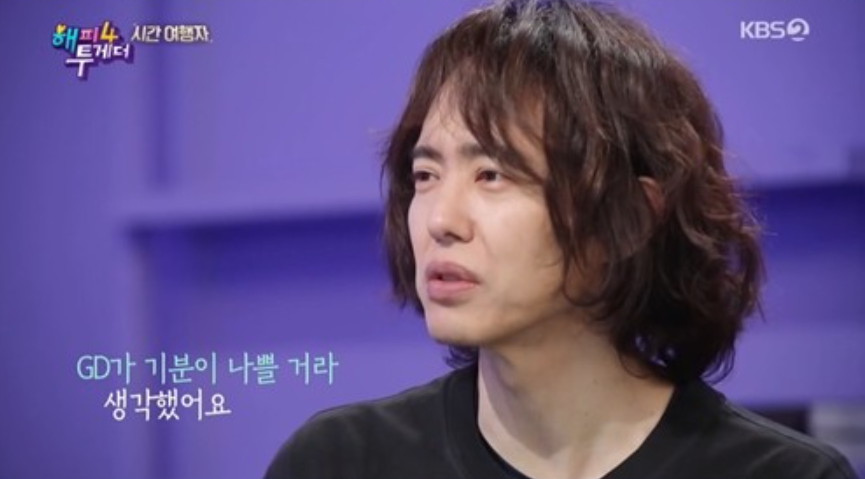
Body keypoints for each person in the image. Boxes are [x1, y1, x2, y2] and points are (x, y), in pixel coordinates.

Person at [264, 1, 859, 478]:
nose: (441, 219)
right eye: (425, 175)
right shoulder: (340, 461)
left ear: (630, 216)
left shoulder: (781, 473)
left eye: (491, 175)